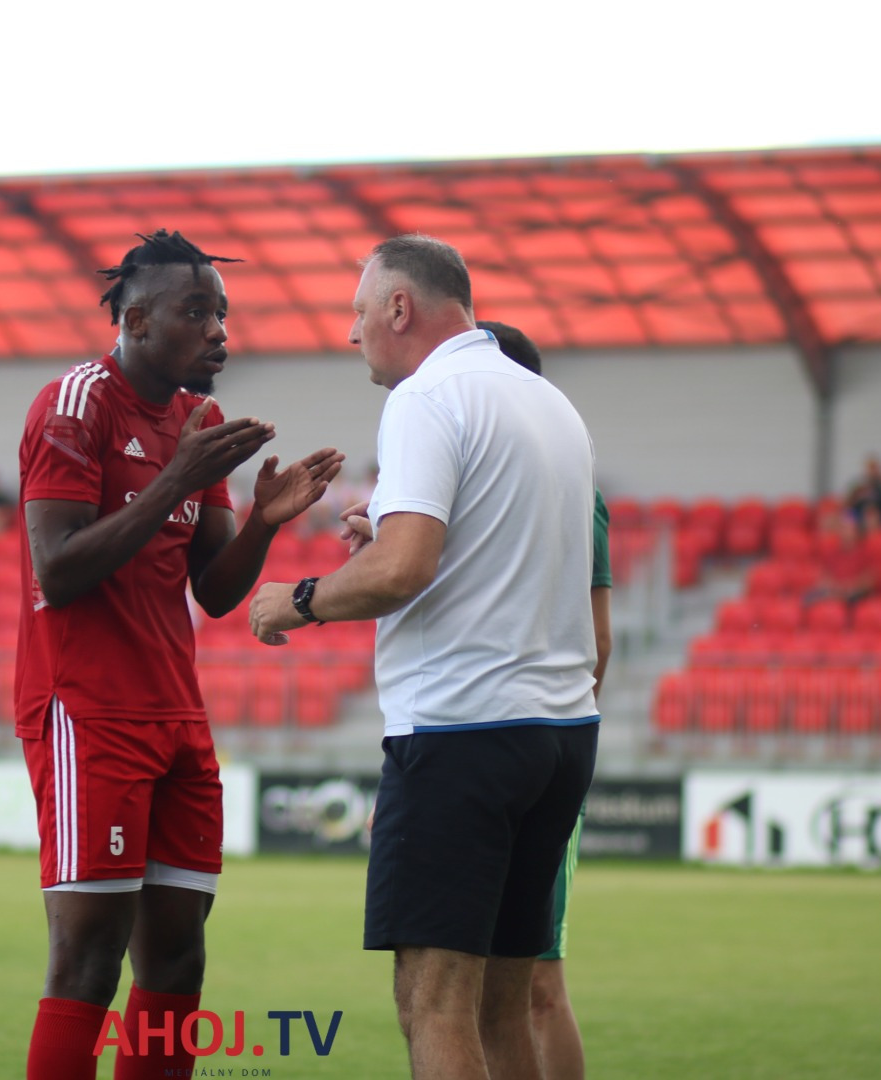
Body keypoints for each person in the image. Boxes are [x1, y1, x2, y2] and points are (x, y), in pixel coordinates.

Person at [250, 235, 599, 1080]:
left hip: (463, 731)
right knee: (505, 1007)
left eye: (359, 311)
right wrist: (384, 533)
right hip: (560, 731)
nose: (352, 332)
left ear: (400, 308)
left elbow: (404, 570)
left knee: (434, 1001)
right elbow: (498, 548)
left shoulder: (426, 397)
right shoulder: (548, 401)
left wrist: (297, 600)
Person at [17, 229, 342, 1080]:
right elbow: (58, 570)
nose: (218, 331)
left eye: (221, 313)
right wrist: (174, 480)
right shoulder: (74, 404)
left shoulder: (198, 423)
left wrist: (265, 521)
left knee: (178, 961)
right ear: (134, 320)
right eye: (195, 312)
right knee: (88, 960)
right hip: (88, 710)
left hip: (176, 715)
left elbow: (216, 590)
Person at [479, 320, 612, 1080]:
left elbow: (599, 639)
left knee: (535, 982)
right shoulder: (496, 483)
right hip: (488, 749)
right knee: (478, 981)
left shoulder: (569, 487)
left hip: (539, 743)